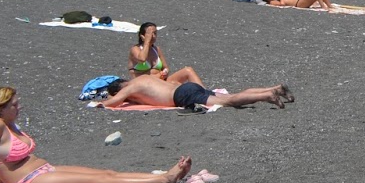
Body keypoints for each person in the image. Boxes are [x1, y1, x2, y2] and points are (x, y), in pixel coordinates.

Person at [0, 86, 192, 183]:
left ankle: (163, 175)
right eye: (14, 105)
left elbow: (1, 157)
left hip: (44, 171)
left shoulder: (11, 124)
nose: (19, 108)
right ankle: (165, 180)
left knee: (107, 174)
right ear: (1, 109)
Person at [102, 75, 291, 111]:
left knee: (230, 101)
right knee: (230, 95)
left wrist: (102, 103)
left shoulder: (130, 87)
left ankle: (266, 96)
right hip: (187, 87)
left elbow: (113, 103)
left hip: (182, 96)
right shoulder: (143, 78)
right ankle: (274, 89)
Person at [129, 22, 204, 87]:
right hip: (144, 86)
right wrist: (147, 41)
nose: (153, 36)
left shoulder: (156, 49)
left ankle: (205, 95)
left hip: (160, 82)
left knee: (188, 70)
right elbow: (142, 59)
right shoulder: (135, 49)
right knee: (176, 85)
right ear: (142, 36)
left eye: (155, 33)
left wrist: (165, 72)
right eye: (150, 34)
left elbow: (166, 67)